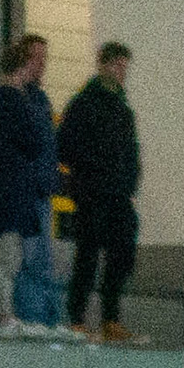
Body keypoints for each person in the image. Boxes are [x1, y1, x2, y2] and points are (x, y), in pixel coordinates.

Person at [0, 35, 59, 334]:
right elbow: (35, 140)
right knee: (5, 254)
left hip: (3, 193)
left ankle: (4, 314)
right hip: (9, 196)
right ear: (21, 68)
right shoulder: (10, 99)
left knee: (9, 257)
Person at [56, 43, 140, 342]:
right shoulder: (83, 104)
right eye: (117, 65)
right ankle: (77, 318)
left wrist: (131, 184)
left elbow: (131, 152)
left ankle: (110, 318)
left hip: (118, 193)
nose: (121, 71)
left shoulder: (123, 109)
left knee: (122, 252)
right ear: (102, 65)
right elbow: (64, 146)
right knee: (88, 254)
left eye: (124, 66)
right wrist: (90, 170)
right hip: (91, 191)